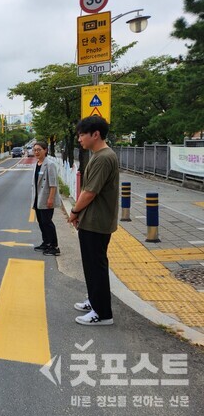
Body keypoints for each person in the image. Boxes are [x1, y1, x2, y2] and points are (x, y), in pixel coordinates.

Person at [68, 116, 119, 326]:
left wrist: (74, 211)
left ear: (95, 134)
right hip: (94, 220)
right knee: (91, 265)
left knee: (95, 266)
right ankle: (94, 300)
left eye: (82, 134)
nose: (79, 139)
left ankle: (103, 313)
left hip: (96, 222)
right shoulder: (100, 155)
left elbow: (89, 192)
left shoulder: (103, 158)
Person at [31, 141, 61, 256]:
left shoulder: (50, 164)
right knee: (41, 222)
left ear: (45, 150)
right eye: (35, 150)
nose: (36, 152)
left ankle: (54, 246)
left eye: (39, 149)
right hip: (37, 198)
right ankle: (46, 242)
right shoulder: (37, 164)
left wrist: (51, 199)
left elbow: (53, 184)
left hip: (46, 198)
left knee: (47, 222)